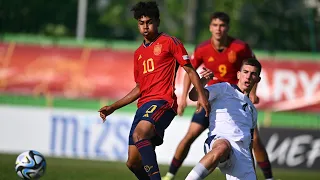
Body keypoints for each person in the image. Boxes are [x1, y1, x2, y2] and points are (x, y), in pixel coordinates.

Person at [98, 1, 210, 180]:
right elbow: (139, 88)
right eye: (141, 23)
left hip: (163, 102)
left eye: (149, 22)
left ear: (157, 22)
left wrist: (202, 97)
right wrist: (113, 107)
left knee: (140, 134)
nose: (145, 27)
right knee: (133, 163)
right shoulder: (138, 54)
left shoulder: (170, 42)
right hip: (143, 106)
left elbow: (190, 70)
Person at [162, 12, 273, 180]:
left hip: (235, 102)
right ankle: (170, 175)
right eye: (215, 25)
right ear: (210, 27)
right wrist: (183, 98)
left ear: (227, 28)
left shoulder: (240, 47)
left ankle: (268, 177)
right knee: (190, 136)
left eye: (222, 25)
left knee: (253, 140)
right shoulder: (202, 48)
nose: (218, 29)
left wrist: (253, 94)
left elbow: (253, 68)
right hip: (210, 97)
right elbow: (188, 72)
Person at [185, 58, 262, 180]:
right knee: (222, 147)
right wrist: (204, 80)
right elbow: (194, 96)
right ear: (238, 74)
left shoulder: (252, 111)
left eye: (253, 74)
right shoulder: (224, 89)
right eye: (245, 72)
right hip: (220, 141)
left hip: (242, 155)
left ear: (257, 79)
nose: (248, 77)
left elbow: (249, 146)